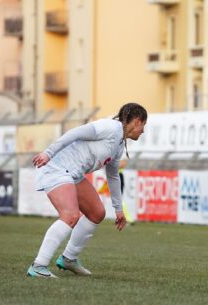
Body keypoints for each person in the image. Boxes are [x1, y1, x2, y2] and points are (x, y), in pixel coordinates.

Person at [27, 102, 147, 278]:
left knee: (97, 213)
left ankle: (69, 258)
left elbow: (113, 176)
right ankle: (38, 265)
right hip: (56, 167)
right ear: (137, 121)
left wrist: (118, 209)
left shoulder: (119, 144)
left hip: (73, 174)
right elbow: (75, 133)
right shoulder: (110, 127)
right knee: (70, 216)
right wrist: (48, 153)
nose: (143, 130)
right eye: (144, 125)